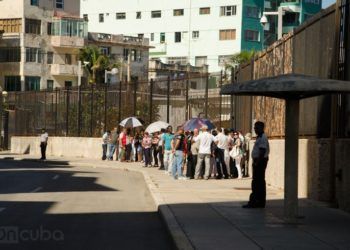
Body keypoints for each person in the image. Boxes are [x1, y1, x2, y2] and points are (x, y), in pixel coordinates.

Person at [243, 121, 270, 208]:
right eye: (254, 128)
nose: (255, 129)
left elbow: (262, 152)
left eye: (257, 128)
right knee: (257, 182)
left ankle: (257, 201)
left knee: (258, 182)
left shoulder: (262, 137)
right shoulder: (259, 137)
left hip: (260, 162)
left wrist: (257, 162)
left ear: (262, 128)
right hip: (258, 161)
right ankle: (256, 201)